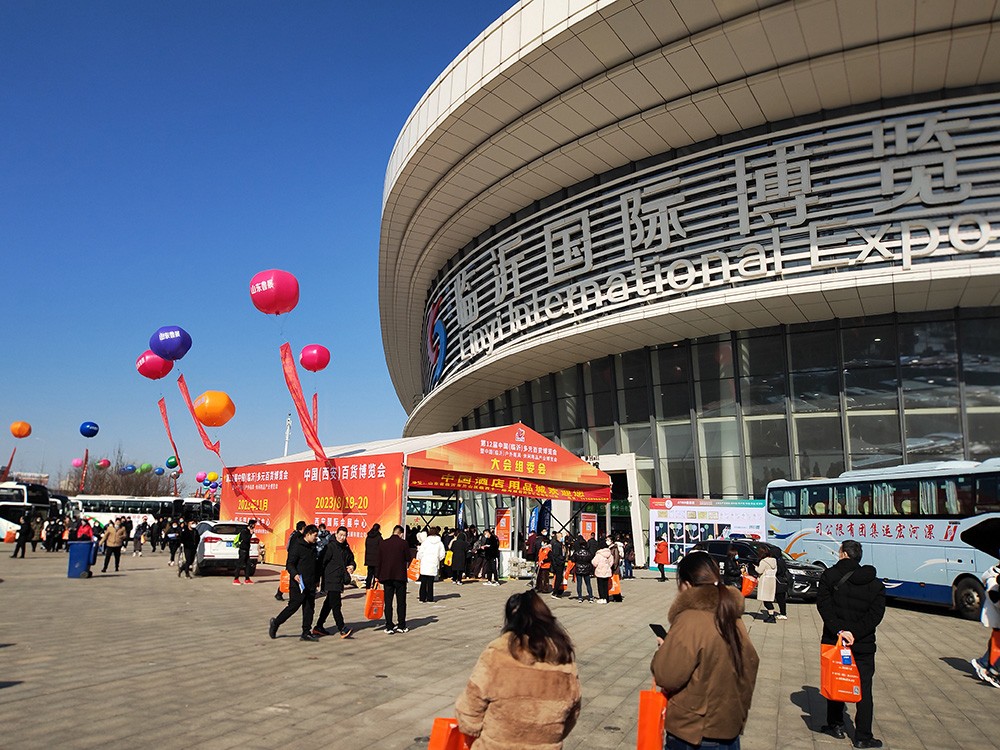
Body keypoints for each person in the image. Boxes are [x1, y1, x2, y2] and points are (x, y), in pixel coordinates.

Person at [651, 550, 759, 750]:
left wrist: (664, 650)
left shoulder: (690, 619)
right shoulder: (732, 616)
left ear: (686, 584)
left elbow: (667, 676)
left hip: (693, 733)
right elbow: (751, 662)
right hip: (729, 728)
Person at [456, 591, 581, 748]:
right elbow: (572, 713)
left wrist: (477, 730)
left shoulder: (498, 653)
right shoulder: (563, 658)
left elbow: (470, 707)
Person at [816, 539, 886, 749]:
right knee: (864, 688)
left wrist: (840, 631)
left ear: (844, 553)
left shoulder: (829, 575)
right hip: (863, 643)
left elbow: (823, 606)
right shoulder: (875, 583)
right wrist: (854, 633)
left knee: (835, 679)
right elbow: (876, 615)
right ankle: (863, 736)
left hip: (834, 640)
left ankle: (835, 725)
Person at [269, 524, 321, 642]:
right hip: (298, 583)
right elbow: (290, 563)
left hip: (310, 583)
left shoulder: (313, 547)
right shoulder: (297, 546)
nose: (316, 538)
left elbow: (316, 565)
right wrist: (295, 574)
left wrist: (317, 580)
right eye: (314, 535)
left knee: (309, 608)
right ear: (308, 534)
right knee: (293, 606)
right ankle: (276, 622)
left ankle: (306, 632)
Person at [313, 525, 355, 638]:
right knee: (336, 604)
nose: (342, 537)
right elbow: (321, 563)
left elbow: (351, 559)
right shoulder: (330, 547)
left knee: (328, 604)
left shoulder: (346, 547)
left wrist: (352, 566)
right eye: (340, 535)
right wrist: (317, 579)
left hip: (339, 579)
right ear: (336, 535)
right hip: (331, 579)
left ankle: (318, 627)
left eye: (344, 535)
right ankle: (342, 628)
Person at [375, 524, 412, 634]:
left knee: (388, 602)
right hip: (400, 577)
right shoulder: (404, 543)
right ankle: (401, 625)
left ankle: (389, 626)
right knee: (401, 602)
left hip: (387, 576)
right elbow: (408, 558)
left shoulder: (383, 543)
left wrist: (377, 575)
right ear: (401, 534)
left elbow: (379, 560)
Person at [971, 557, 1000, 688]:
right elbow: (996, 601)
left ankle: (983, 664)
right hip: (995, 617)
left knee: (996, 644)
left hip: (997, 617)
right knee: (996, 645)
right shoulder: (992, 580)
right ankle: (989, 668)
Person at [276, 520, 306, 601]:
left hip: (291, 559)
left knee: (289, 577)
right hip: (294, 560)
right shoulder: (298, 537)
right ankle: (281, 593)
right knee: (290, 578)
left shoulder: (293, 535)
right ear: (303, 528)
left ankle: (280, 593)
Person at [416, 526, 446, 603]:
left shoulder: (425, 542)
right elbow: (442, 554)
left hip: (425, 563)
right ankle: (430, 598)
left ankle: (422, 598)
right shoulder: (439, 543)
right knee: (430, 582)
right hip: (433, 563)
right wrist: (437, 559)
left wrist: (421, 559)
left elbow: (420, 553)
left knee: (423, 582)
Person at [754, 547, 779, 623]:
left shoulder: (763, 561)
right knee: (769, 598)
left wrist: (755, 567)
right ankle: (771, 615)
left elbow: (760, 571)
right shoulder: (774, 560)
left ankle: (771, 616)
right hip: (772, 580)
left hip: (765, 581)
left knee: (766, 599)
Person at [232, 519, 256, 585]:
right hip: (242, 550)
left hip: (247, 550)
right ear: (251, 525)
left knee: (247, 565)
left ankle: (247, 579)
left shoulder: (248, 531)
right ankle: (236, 579)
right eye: (254, 525)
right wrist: (250, 534)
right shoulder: (244, 531)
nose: (254, 526)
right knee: (240, 564)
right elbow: (246, 540)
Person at [571, 535, 594, 602]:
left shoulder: (576, 552)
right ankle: (590, 597)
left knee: (579, 584)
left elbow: (572, 559)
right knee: (588, 584)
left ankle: (580, 597)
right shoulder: (588, 553)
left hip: (578, 569)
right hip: (586, 569)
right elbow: (591, 559)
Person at [592, 539, 614, 604]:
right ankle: (606, 598)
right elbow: (611, 562)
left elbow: (594, 562)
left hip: (600, 571)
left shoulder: (598, 554)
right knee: (606, 585)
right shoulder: (609, 554)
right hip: (607, 571)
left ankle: (602, 598)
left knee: (600, 585)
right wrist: (608, 566)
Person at [364, 523, 382, 589]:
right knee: (376, 575)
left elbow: (366, 546)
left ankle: (367, 588)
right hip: (376, 559)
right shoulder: (379, 537)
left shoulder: (368, 537)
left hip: (369, 559)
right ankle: (374, 589)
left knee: (369, 574)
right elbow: (381, 547)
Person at [549, 531, 566, 599]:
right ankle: (555, 592)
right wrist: (562, 559)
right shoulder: (556, 544)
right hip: (558, 564)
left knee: (560, 578)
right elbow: (556, 555)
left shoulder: (560, 544)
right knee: (558, 578)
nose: (562, 538)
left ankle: (558, 592)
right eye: (561, 536)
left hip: (560, 563)